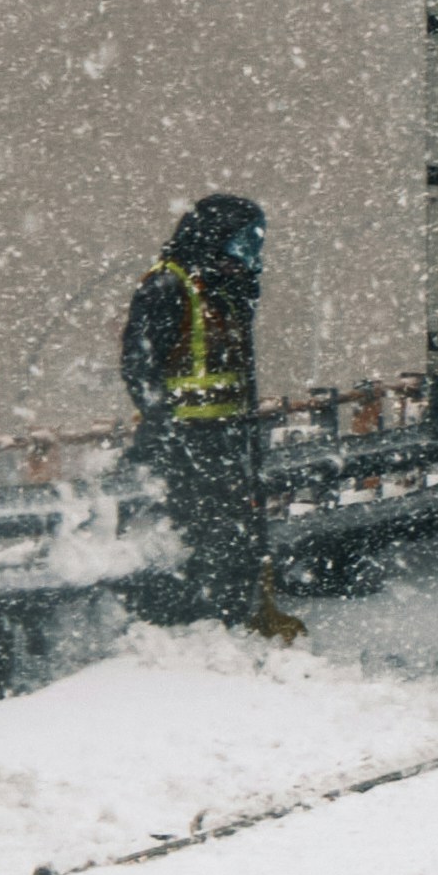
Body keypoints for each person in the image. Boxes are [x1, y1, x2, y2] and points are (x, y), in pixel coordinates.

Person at [122, 187, 304, 639]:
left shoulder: (223, 291)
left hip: (225, 437)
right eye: (240, 245)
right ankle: (196, 626)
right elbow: (138, 365)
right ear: (212, 239)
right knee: (205, 536)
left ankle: (230, 618)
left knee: (236, 534)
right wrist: (164, 422)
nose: (247, 258)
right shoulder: (168, 285)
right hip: (183, 442)